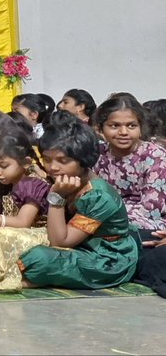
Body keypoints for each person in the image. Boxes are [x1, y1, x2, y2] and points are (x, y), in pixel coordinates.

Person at [19, 117, 139, 290]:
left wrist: (57, 198)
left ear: (83, 160)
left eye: (63, 160)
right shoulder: (65, 180)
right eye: (47, 159)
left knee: (39, 259)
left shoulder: (99, 196)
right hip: (79, 247)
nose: (52, 167)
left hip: (106, 259)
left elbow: (60, 242)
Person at [0, 130, 51, 291]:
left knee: (0, 234)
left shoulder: (33, 183)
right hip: (15, 234)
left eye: (3, 166)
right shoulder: (3, 185)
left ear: (26, 162)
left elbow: (23, 222)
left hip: (37, 237)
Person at [92, 94, 166, 239]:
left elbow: (152, 210)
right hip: (102, 216)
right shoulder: (97, 153)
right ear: (100, 128)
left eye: (131, 125)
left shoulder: (155, 156)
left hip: (146, 222)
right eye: (114, 126)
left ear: (141, 128)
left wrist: (104, 212)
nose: (123, 132)